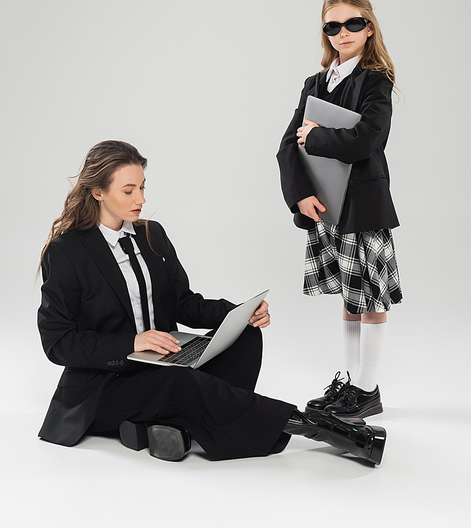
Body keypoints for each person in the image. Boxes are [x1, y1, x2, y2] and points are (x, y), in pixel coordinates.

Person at [38, 139, 386, 464]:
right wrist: (131, 343)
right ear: (97, 191)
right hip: (105, 389)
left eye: (142, 187)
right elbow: (58, 343)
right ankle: (323, 429)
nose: (140, 199)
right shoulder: (68, 252)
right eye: (128, 190)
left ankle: (184, 425)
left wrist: (237, 313)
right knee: (179, 383)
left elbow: (182, 303)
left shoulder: (150, 234)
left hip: (161, 363)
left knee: (246, 337)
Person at [277, 0, 402, 419]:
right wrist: (299, 196)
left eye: (352, 23)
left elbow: (368, 139)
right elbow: (285, 148)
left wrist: (316, 137)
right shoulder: (314, 83)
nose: (342, 32)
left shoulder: (375, 80)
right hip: (325, 204)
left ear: (368, 28)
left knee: (369, 297)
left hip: (362, 204)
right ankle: (351, 386)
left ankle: (367, 390)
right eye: (333, 25)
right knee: (350, 298)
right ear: (325, 31)